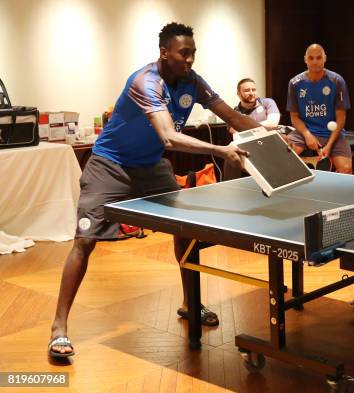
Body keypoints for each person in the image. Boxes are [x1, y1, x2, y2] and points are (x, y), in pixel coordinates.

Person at [48, 22, 261, 359]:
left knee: (185, 229)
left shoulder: (192, 81)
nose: (190, 60)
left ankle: (190, 303)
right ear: (165, 53)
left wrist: (270, 134)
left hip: (151, 166)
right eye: (184, 53)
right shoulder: (145, 81)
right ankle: (59, 327)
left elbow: (232, 116)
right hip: (110, 165)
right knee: (84, 241)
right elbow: (169, 136)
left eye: (193, 53)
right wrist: (220, 151)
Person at [286, 43, 352, 174]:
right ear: (305, 60)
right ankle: (308, 160)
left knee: (346, 168)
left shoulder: (337, 81)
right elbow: (294, 117)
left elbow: (341, 118)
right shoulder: (295, 83)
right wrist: (307, 135)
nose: (315, 62)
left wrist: (329, 145)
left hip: (332, 134)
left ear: (324, 58)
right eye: (311, 58)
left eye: (318, 58)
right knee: (284, 158)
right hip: (305, 131)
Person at [224, 78, 281, 179]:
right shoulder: (234, 113)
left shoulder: (267, 102)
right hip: (250, 146)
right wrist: (262, 127)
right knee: (230, 150)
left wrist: (246, 127)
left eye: (253, 90)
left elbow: (272, 123)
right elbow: (236, 134)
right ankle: (231, 189)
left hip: (270, 143)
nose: (251, 93)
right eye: (247, 90)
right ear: (238, 93)